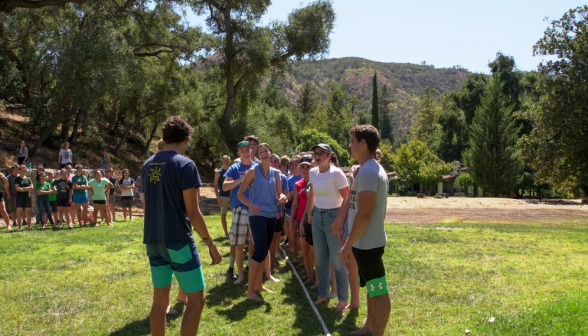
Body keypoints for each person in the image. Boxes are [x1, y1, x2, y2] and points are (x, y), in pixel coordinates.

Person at [142, 115, 221, 336]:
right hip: (178, 240)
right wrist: (211, 243)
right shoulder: (185, 164)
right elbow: (193, 212)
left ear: (164, 137)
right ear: (186, 139)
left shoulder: (147, 165)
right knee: (197, 300)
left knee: (160, 302)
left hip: (154, 240)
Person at [340, 125, 391, 335]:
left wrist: (348, 243)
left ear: (363, 143)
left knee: (379, 290)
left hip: (368, 243)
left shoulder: (369, 171)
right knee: (372, 287)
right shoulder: (367, 169)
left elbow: (364, 214)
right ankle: (369, 327)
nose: (349, 145)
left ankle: (376, 332)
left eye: (352, 141)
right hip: (365, 242)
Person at [237, 143, 287, 301]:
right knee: (259, 251)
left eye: (266, 151)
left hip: (271, 215)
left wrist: (283, 197)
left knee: (264, 251)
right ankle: (250, 291)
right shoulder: (253, 171)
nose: (264, 153)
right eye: (261, 151)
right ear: (257, 155)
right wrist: (251, 205)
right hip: (256, 215)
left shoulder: (276, 173)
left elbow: (279, 194)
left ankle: (258, 286)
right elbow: (240, 194)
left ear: (271, 153)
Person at [306, 143, 350, 311]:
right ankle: (322, 295)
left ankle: (343, 299)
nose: (317, 156)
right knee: (321, 260)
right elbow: (313, 194)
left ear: (329, 156)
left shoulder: (336, 173)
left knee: (338, 262)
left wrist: (338, 221)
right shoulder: (312, 172)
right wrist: (310, 213)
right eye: (315, 153)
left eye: (321, 153)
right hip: (318, 217)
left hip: (334, 216)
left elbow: (347, 199)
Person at [222, 141, 257, 282]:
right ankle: (240, 274)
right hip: (239, 209)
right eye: (242, 150)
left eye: (247, 149)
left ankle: (251, 268)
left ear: (251, 151)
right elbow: (225, 187)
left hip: (255, 209)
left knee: (255, 243)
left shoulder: (257, 167)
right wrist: (242, 179)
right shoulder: (234, 168)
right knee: (238, 244)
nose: (245, 152)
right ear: (238, 153)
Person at [289, 155, 315, 285]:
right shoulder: (297, 184)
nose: (305, 170)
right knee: (305, 250)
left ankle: (318, 275)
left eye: (308, 167)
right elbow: (295, 204)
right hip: (300, 220)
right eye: (303, 167)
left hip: (313, 220)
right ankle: (310, 275)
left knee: (314, 251)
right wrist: (292, 220)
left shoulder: (316, 182)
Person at [268, 154, 288, 276]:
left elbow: (286, 195)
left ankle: (274, 260)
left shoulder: (283, 177)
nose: (274, 163)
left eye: (276, 161)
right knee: (269, 239)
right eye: (272, 161)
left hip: (278, 212)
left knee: (276, 238)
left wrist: (282, 199)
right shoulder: (265, 175)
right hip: (268, 212)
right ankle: (269, 264)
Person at [285, 155, 303, 261]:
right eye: (291, 164)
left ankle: (301, 251)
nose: (293, 166)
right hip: (290, 208)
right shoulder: (289, 179)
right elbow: (286, 195)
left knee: (300, 232)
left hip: (301, 209)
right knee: (293, 231)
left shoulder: (303, 177)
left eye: (296, 164)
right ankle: (295, 250)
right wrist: (290, 195)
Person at [214, 155, 231, 238]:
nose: (226, 162)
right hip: (223, 196)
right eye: (225, 160)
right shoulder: (218, 172)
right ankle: (226, 233)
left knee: (236, 214)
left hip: (233, 196)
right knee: (223, 214)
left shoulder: (232, 170)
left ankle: (233, 232)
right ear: (222, 161)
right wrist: (217, 197)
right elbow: (215, 185)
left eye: (228, 161)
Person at [14, 165, 34, 231]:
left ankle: (29, 227)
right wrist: (26, 188)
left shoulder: (28, 179)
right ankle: (20, 227)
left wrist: (23, 188)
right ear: (19, 171)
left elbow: (31, 187)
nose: (23, 172)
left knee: (28, 212)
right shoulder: (17, 179)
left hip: (27, 197)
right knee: (19, 213)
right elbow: (17, 188)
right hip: (19, 197)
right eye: (21, 170)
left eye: (24, 170)